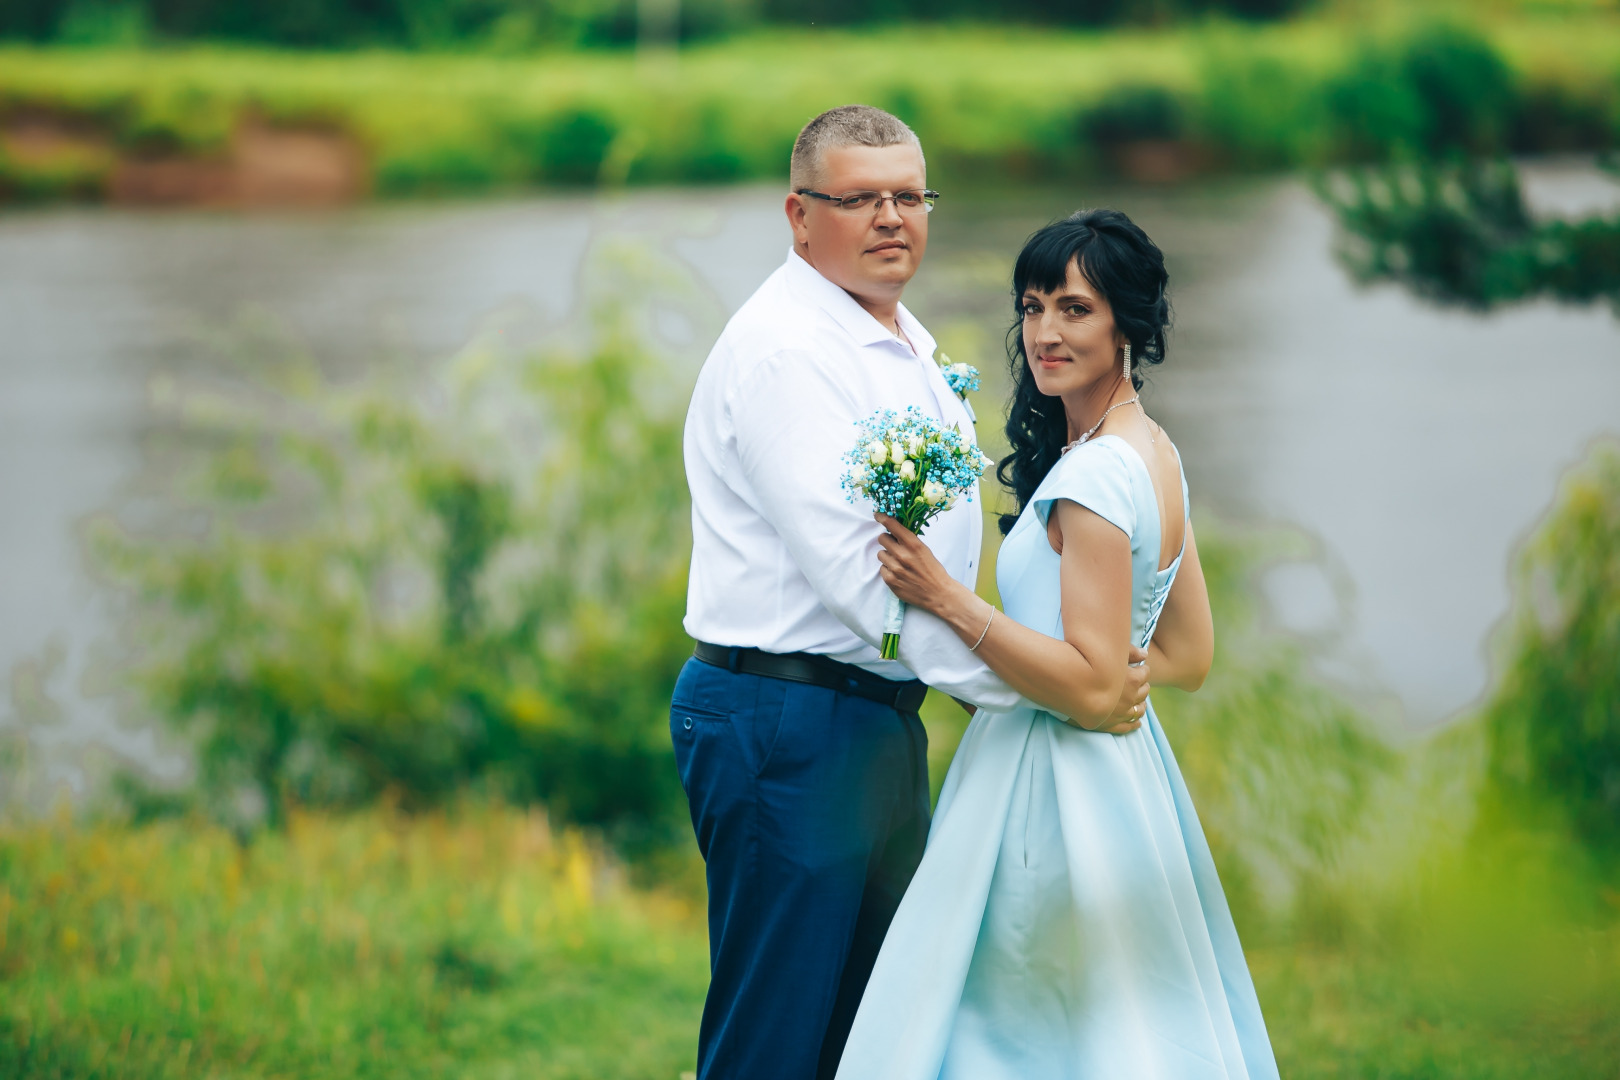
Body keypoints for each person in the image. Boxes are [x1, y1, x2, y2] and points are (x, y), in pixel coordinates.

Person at [672, 107, 1152, 1080]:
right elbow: (864, 587)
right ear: (800, 216)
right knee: (777, 1038)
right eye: (860, 199)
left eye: (908, 196)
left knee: (875, 1036)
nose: (892, 218)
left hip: (874, 718)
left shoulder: (894, 335)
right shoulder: (788, 355)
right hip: (786, 719)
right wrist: (1037, 683)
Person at [835, 209, 1280, 1079]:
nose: (1044, 332)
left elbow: (1082, 687)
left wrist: (949, 601)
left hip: (1046, 792)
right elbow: (1188, 656)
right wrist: (1116, 671)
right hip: (1127, 781)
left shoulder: (1093, 478)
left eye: (1074, 309)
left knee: (1020, 1023)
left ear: (1128, 325)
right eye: (1033, 307)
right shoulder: (1154, 452)